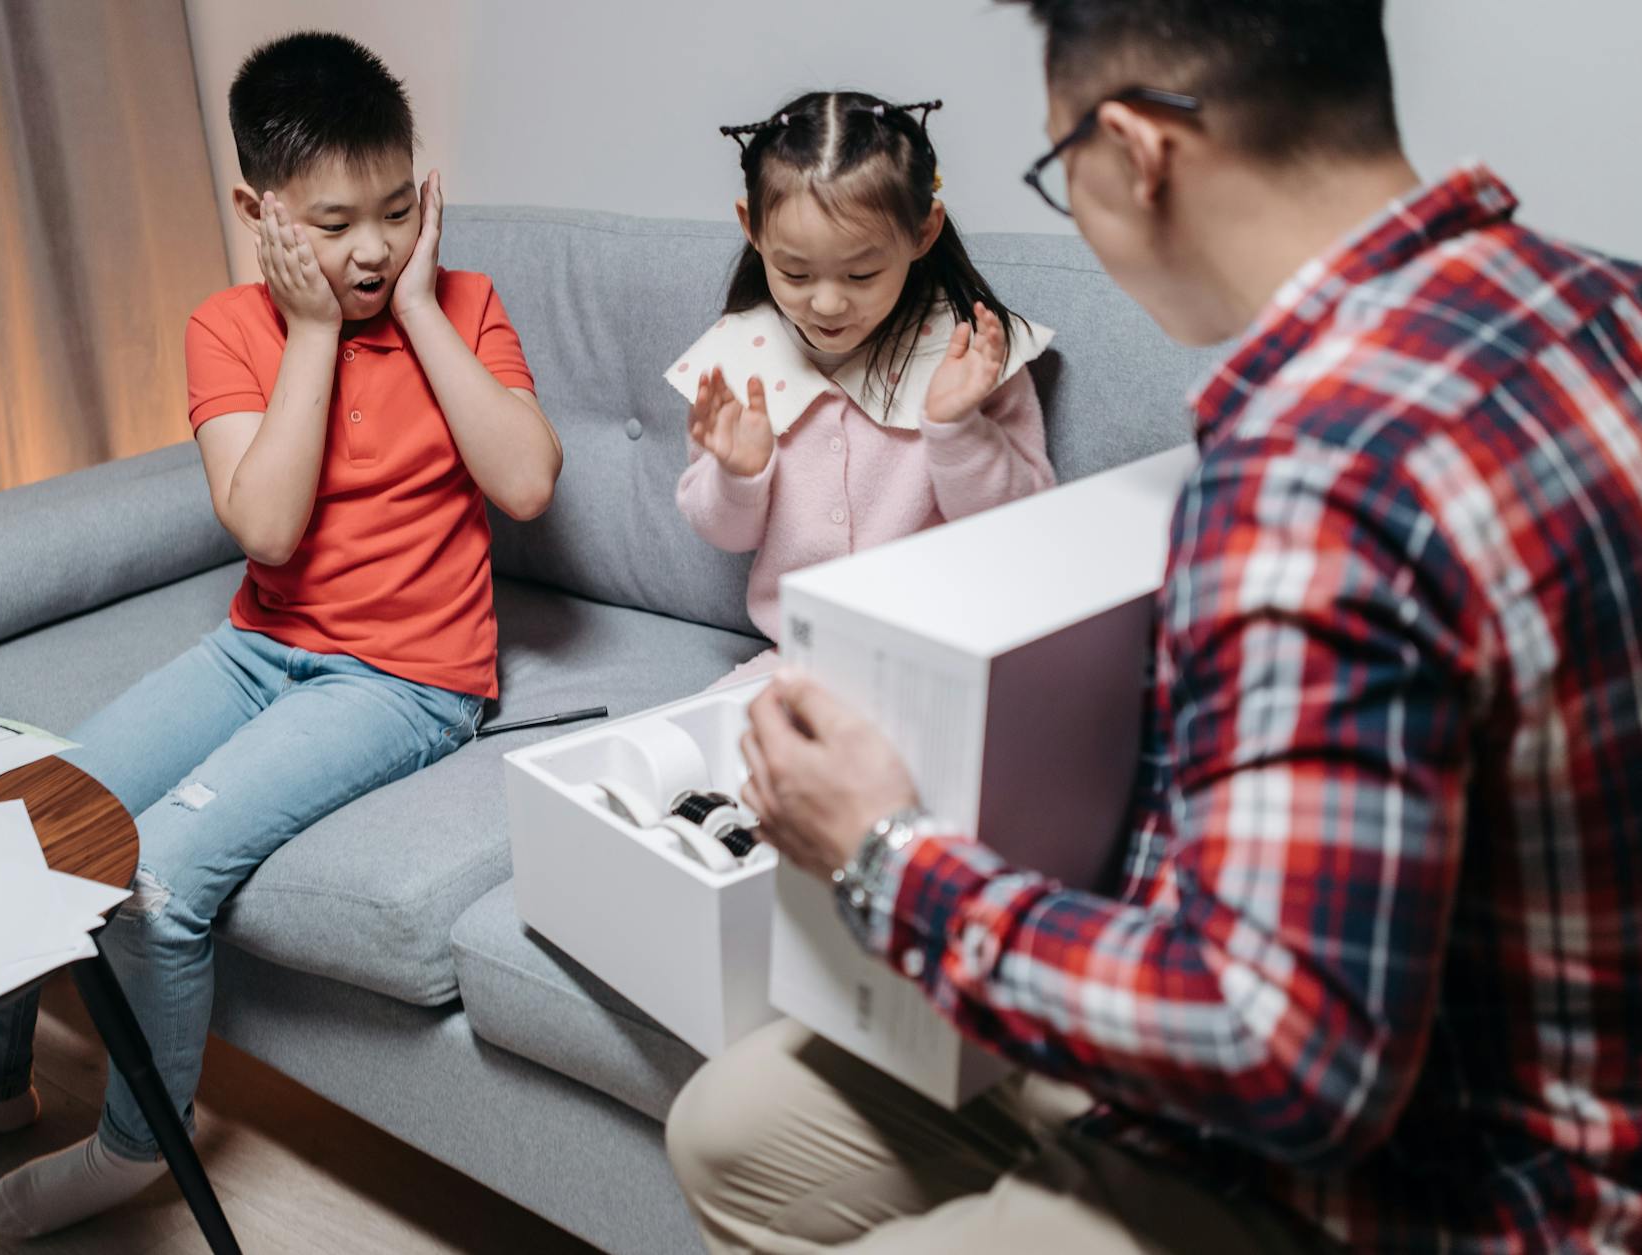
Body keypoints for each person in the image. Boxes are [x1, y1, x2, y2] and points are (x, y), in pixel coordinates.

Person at [666, 1, 1642, 1250]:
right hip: (1367, 1017)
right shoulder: (1599, 300)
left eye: (1058, 167)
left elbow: (1286, 1055)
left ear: (1131, 152)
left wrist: (884, 850)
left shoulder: (1312, 468)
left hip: (1434, 1175)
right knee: (731, 1130)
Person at [0, 31, 562, 1237]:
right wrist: (313, 332)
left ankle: (137, 1143)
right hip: (258, 649)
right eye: (333, 224)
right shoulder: (228, 328)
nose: (371, 248)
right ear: (256, 211)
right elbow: (266, 528)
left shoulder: (465, 306)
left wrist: (417, 310)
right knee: (23, 817)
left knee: (153, 881)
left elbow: (525, 483)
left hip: (406, 680)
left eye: (395, 210)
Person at [673, 91, 1054, 684]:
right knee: (702, 735)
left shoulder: (970, 354)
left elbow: (1025, 522)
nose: (826, 303)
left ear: (923, 232)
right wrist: (738, 475)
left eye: (861, 274)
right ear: (752, 229)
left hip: (945, 661)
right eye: (795, 272)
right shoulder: (736, 362)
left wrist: (958, 430)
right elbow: (724, 533)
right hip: (802, 658)